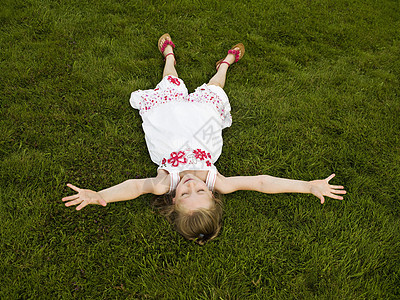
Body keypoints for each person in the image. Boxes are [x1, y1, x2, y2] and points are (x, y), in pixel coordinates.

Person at [62, 34, 346, 245]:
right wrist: (307, 186)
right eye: (200, 192)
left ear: (174, 202)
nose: (190, 186)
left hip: (169, 119)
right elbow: (261, 182)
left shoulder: (164, 184)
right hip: (201, 124)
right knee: (213, 92)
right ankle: (224, 64)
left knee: (170, 84)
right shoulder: (218, 182)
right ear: (212, 195)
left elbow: (134, 187)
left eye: (184, 195)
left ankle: (170, 58)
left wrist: (100, 195)